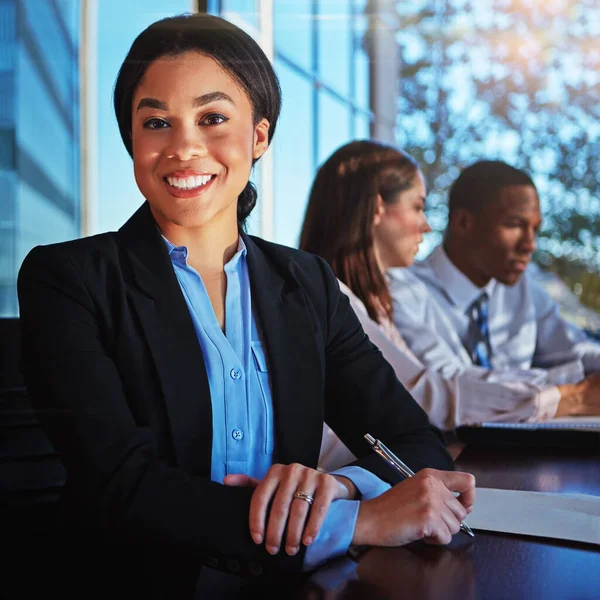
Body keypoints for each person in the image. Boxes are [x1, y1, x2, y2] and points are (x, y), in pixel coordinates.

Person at [17, 14, 474, 598]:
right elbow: (120, 485)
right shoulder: (68, 279)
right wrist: (355, 523)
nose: (183, 147)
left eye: (212, 119)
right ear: (133, 140)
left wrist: (343, 489)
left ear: (258, 136)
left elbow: (413, 442)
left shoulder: (307, 283)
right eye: (157, 122)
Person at [299, 142, 599, 452]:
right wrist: (570, 396)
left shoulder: (369, 303)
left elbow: (576, 348)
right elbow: (426, 393)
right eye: (418, 207)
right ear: (377, 209)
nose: (427, 225)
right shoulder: (382, 294)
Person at [388, 160, 600, 420]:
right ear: (464, 222)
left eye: (534, 229)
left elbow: (575, 348)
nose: (529, 245)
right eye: (515, 225)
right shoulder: (404, 290)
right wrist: (568, 390)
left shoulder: (524, 289)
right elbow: (448, 384)